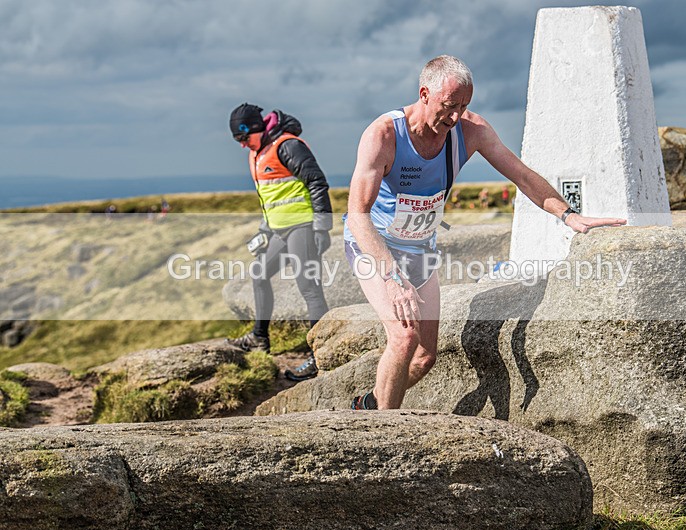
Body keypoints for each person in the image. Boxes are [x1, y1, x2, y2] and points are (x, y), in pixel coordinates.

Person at [343, 55, 626, 410]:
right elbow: (358, 215)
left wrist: (568, 215)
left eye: (464, 106)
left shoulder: (470, 130)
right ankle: (382, 436)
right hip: (376, 248)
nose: (455, 116)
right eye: (449, 106)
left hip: (419, 250)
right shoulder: (384, 134)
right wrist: (392, 279)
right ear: (424, 93)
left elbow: (521, 175)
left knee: (423, 358)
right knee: (403, 336)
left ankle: (368, 405)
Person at [227, 103, 333, 381]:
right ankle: (260, 338)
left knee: (309, 288)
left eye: (243, 138)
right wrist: (264, 230)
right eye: (237, 141)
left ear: (256, 128)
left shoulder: (288, 146)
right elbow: (270, 197)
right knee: (259, 275)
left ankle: (320, 357)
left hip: (303, 228)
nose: (242, 146)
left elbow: (317, 182)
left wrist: (322, 228)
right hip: (278, 231)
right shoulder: (258, 152)